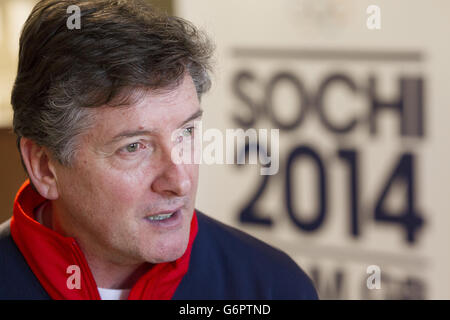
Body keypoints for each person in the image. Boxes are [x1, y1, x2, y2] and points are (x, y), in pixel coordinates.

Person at [0, 0, 318, 300]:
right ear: (44, 167)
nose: (179, 182)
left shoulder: (274, 287)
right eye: (135, 147)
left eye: (186, 133)